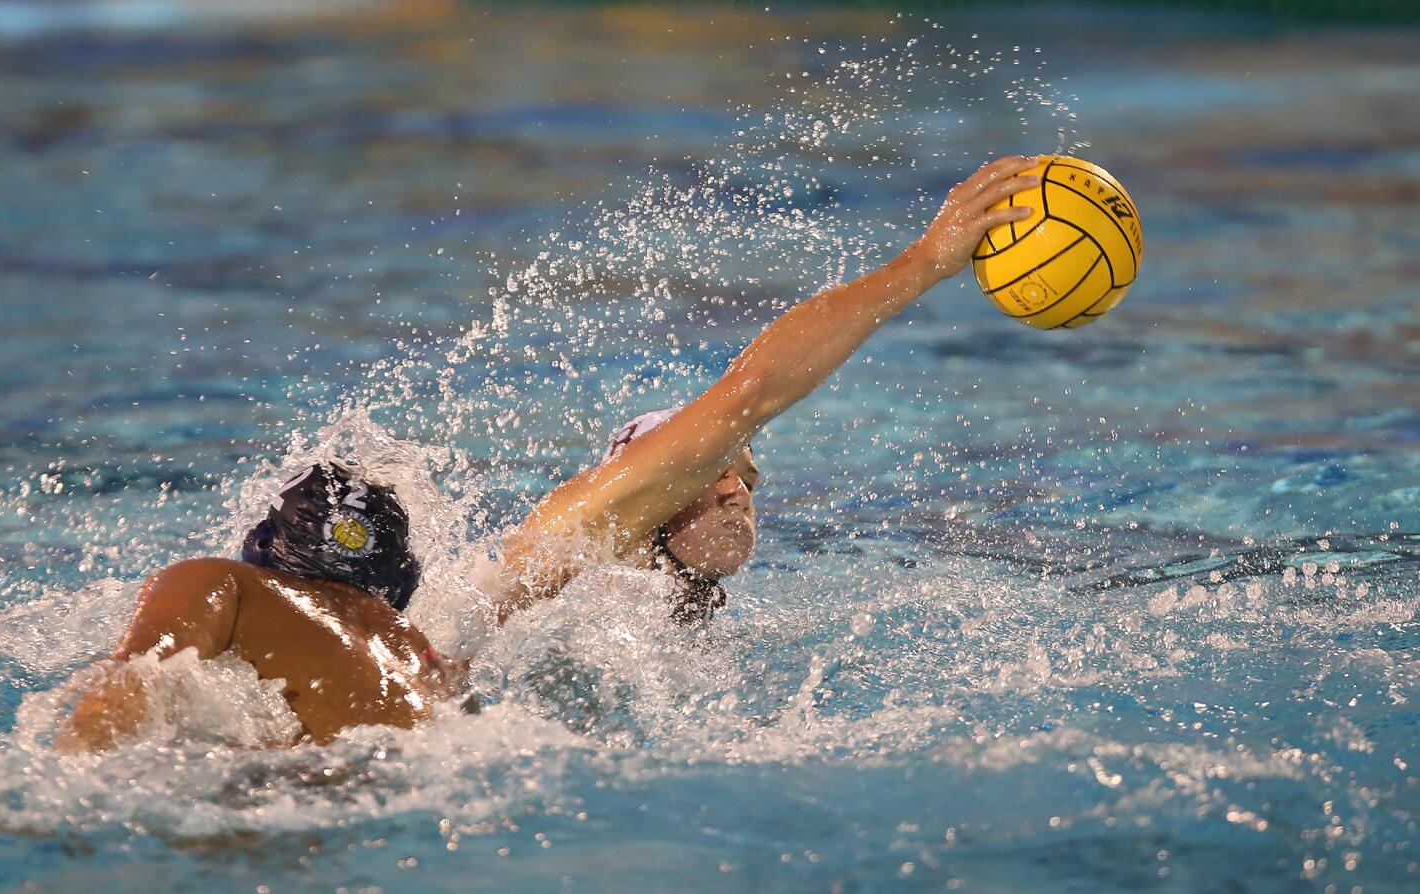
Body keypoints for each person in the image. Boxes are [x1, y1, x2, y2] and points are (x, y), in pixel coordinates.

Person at [59, 156, 1040, 749]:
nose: (736, 484)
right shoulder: (539, 565)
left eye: (749, 475)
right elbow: (751, 393)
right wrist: (924, 263)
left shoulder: (705, 639)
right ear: (644, 490)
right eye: (707, 467)